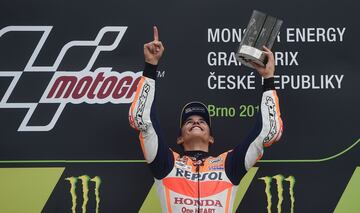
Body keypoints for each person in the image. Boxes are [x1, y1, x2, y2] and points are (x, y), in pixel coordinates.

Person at [129, 26, 283, 213]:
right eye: (189, 121)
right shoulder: (166, 162)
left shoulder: (228, 165)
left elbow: (267, 133)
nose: (195, 122)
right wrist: (150, 67)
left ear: (211, 138)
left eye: (202, 121)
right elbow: (143, 120)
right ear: (180, 138)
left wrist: (268, 79)